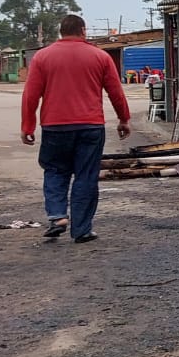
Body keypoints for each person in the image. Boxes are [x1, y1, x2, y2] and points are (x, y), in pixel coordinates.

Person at [20, 14, 132, 244]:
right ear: (83, 31)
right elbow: (116, 93)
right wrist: (124, 119)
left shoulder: (42, 57)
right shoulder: (100, 56)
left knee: (54, 171)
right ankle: (81, 230)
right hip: (90, 127)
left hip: (54, 127)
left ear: (61, 32)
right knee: (86, 176)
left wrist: (27, 125)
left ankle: (57, 216)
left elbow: (30, 96)